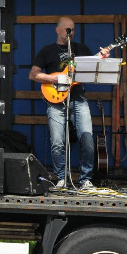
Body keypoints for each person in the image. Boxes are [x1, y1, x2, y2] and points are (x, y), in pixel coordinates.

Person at [29, 17, 109, 189]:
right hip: (56, 101)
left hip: (78, 99)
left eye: (72, 30)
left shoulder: (81, 49)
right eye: (67, 30)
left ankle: (85, 179)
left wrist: (102, 58)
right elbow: (33, 75)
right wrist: (54, 78)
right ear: (57, 30)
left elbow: (92, 69)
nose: (70, 33)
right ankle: (61, 178)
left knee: (87, 140)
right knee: (57, 142)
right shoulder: (47, 51)